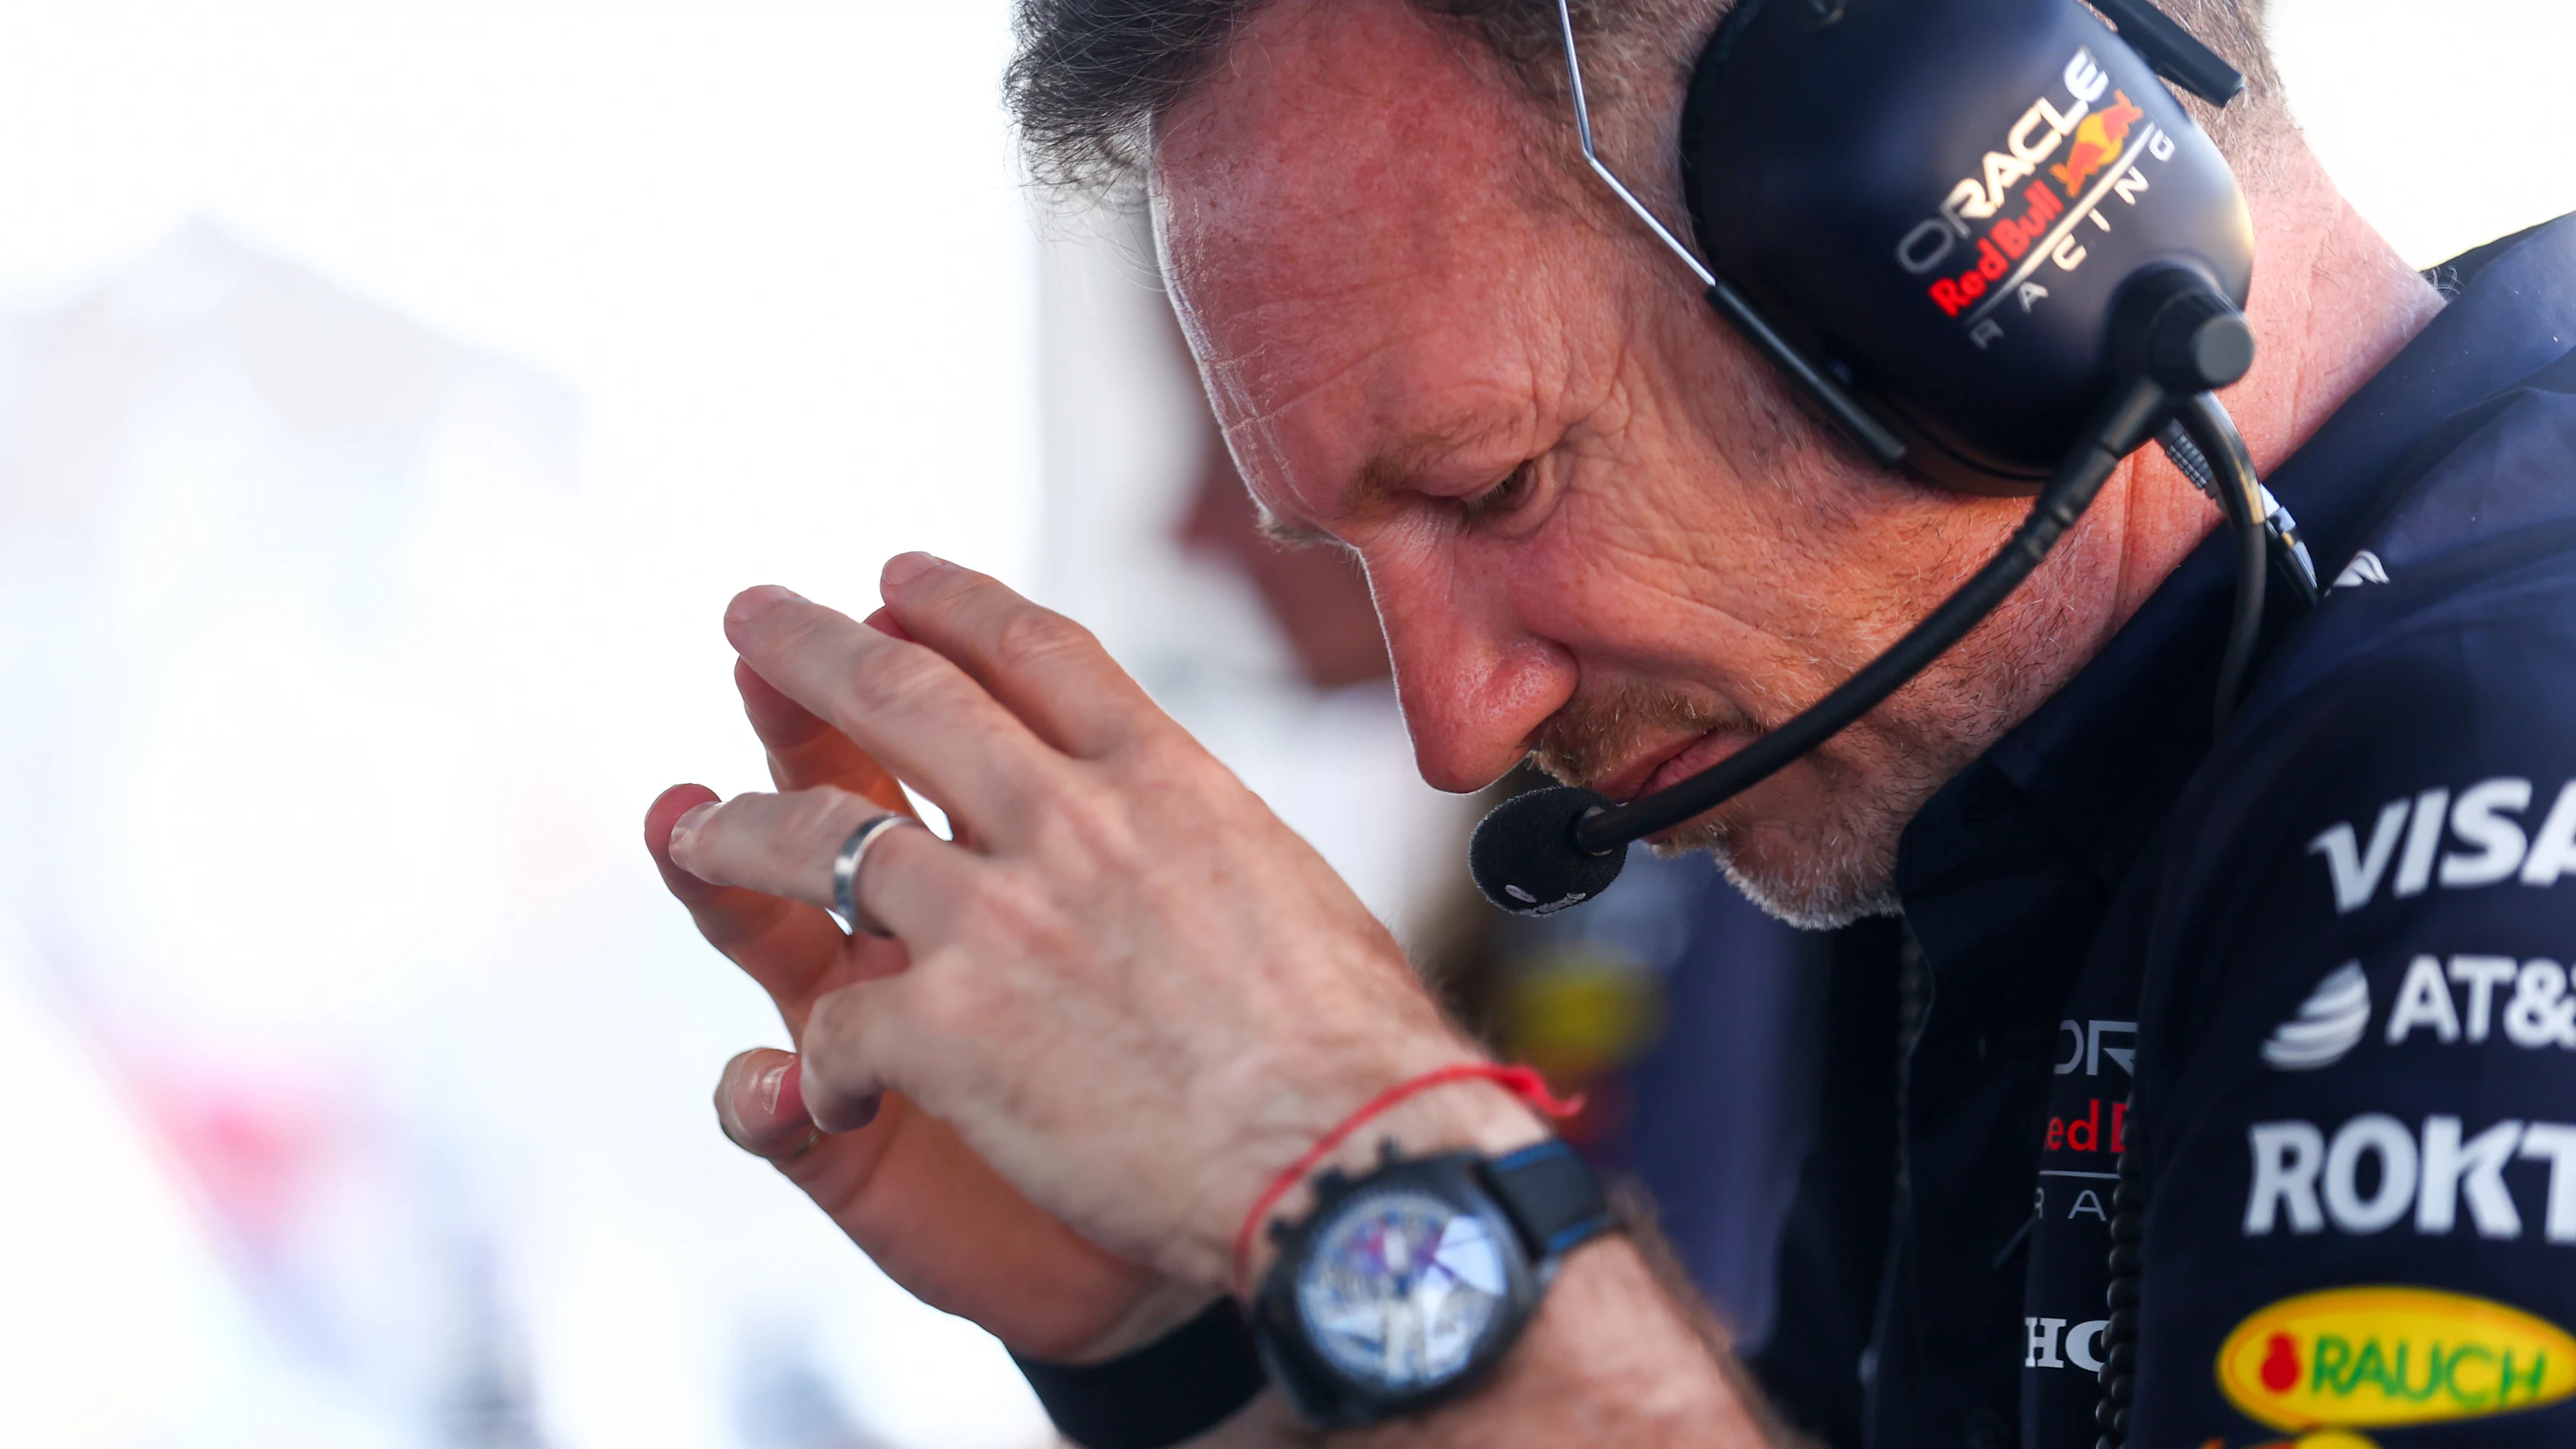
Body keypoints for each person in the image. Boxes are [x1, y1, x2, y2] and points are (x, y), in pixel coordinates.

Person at [640, 0, 2576, 1443]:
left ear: (1986, 200)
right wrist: (1209, 1338)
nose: (1458, 734)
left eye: (1492, 486)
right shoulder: (2014, 811)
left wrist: (1359, 1167)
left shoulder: (2507, 775)